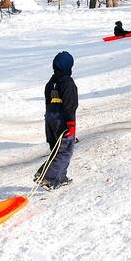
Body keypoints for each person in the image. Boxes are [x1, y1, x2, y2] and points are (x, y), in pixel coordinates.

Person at [34, 51, 78, 190]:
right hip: (63, 119)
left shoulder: (50, 83)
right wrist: (70, 123)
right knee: (65, 150)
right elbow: (70, 104)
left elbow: (48, 102)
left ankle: (60, 177)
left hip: (50, 119)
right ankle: (46, 175)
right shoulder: (67, 82)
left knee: (56, 149)